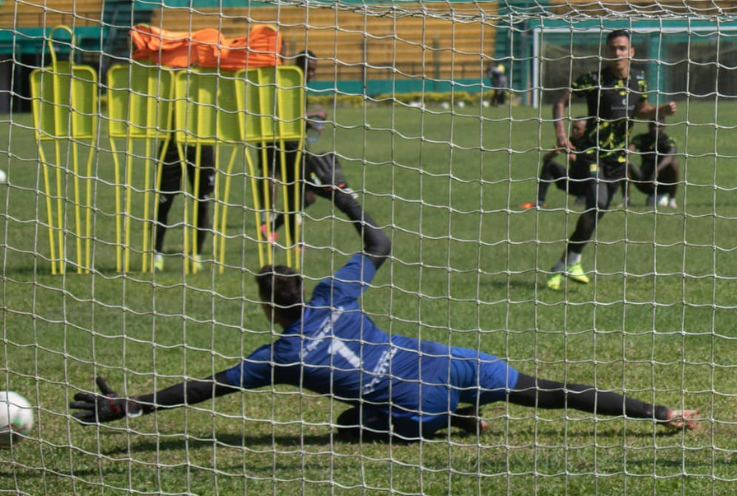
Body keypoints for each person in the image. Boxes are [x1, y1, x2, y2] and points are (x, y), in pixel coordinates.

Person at [70, 185, 699, 440]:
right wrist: (340, 192)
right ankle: (663, 412)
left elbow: (206, 390)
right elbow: (379, 244)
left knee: (347, 426)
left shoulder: (278, 359)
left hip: (414, 404)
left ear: (268, 310)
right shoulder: (334, 295)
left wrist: (130, 405)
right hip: (447, 361)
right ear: (306, 287)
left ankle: (448, 421)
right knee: (546, 391)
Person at [546, 29, 678, 291]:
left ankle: (563, 264)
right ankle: (572, 261)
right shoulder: (594, 79)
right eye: (612, 49)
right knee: (599, 202)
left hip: (618, 157)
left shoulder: (638, 81)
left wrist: (659, 111)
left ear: (631, 52)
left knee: (596, 212)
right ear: (606, 52)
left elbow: (640, 111)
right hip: (592, 152)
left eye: (621, 48)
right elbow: (560, 103)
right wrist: (562, 134)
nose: (616, 53)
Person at [258, 50, 354, 246]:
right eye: (308, 69)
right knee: (301, 192)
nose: (311, 74)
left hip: (295, 144)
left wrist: (311, 123)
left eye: (313, 70)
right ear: (298, 65)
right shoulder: (289, 84)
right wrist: (315, 115)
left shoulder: (297, 85)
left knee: (305, 195)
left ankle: (275, 227)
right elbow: (288, 114)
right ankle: (284, 233)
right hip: (285, 144)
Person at [153, 140, 215, 272]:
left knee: (202, 202)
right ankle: (157, 254)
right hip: (172, 143)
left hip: (201, 142)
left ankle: (196, 255)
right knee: (163, 202)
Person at [521, 119, 589, 209]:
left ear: (586, 130)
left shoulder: (591, 143)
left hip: (590, 185)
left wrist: (577, 157)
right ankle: (540, 202)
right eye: (573, 128)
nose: (574, 131)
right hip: (573, 182)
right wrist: (552, 153)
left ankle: (586, 196)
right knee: (549, 164)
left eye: (577, 129)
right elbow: (545, 159)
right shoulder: (570, 142)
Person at [625, 119, 680, 208]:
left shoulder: (669, 141)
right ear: (648, 126)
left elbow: (670, 156)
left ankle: (672, 201)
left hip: (662, 181)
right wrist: (624, 156)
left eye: (658, 126)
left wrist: (657, 170)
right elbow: (630, 149)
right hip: (644, 180)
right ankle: (626, 200)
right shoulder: (641, 138)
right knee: (625, 164)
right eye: (652, 126)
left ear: (664, 127)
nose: (655, 129)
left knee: (674, 165)